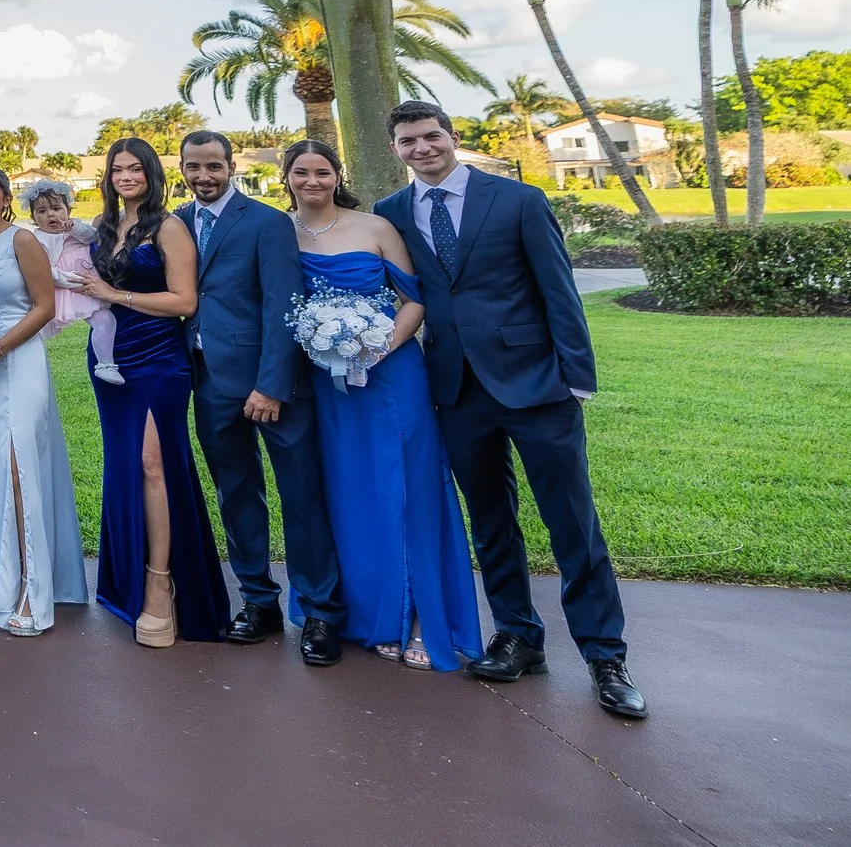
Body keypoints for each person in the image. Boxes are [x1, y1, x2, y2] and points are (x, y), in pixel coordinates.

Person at [373, 103, 645, 719]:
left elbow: (559, 292)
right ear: (396, 149)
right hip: (456, 391)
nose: (422, 148)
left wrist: (577, 380)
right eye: (408, 141)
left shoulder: (518, 200)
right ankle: (520, 636)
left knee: (572, 522)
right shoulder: (390, 214)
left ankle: (606, 656)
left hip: (536, 387)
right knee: (491, 522)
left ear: (454, 135)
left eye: (431, 136)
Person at [283, 140, 483, 672]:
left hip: (391, 375)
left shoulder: (374, 227)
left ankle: (418, 616)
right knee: (349, 490)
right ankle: (367, 615)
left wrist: (376, 348)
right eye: (301, 172)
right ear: (286, 178)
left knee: (408, 486)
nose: (312, 181)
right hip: (327, 385)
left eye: (322, 172)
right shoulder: (277, 232)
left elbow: (414, 298)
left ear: (336, 175)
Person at [177, 130, 345, 665]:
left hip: (271, 382)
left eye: (213, 167)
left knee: (301, 495)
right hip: (208, 381)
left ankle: (319, 611)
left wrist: (272, 384)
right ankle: (257, 600)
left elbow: (284, 304)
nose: (203, 176)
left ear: (231, 168)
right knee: (236, 494)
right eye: (193, 167)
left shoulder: (268, 222)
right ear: (181, 168)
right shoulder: (177, 222)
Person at [70, 140, 230, 646]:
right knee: (126, 467)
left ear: (152, 173)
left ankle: (163, 585)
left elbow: (184, 300)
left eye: (135, 168)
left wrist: (116, 295)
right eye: (117, 168)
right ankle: (127, 578)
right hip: (109, 360)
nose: (125, 175)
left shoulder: (169, 226)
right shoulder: (101, 228)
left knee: (154, 465)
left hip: (159, 359)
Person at [0, 167, 88, 634]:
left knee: (19, 467)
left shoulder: (22, 240)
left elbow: (44, 306)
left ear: (6, 197)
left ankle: (31, 591)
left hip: (18, 362)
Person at [21, 179, 113, 380]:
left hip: (88, 285)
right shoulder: (39, 239)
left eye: (56, 208)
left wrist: (74, 228)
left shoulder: (75, 227)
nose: (50, 214)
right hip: (65, 287)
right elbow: (45, 270)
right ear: (34, 218)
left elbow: (92, 237)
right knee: (35, 331)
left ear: (68, 210)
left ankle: (106, 364)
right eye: (42, 212)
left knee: (105, 319)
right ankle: (26, 368)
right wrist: (75, 281)